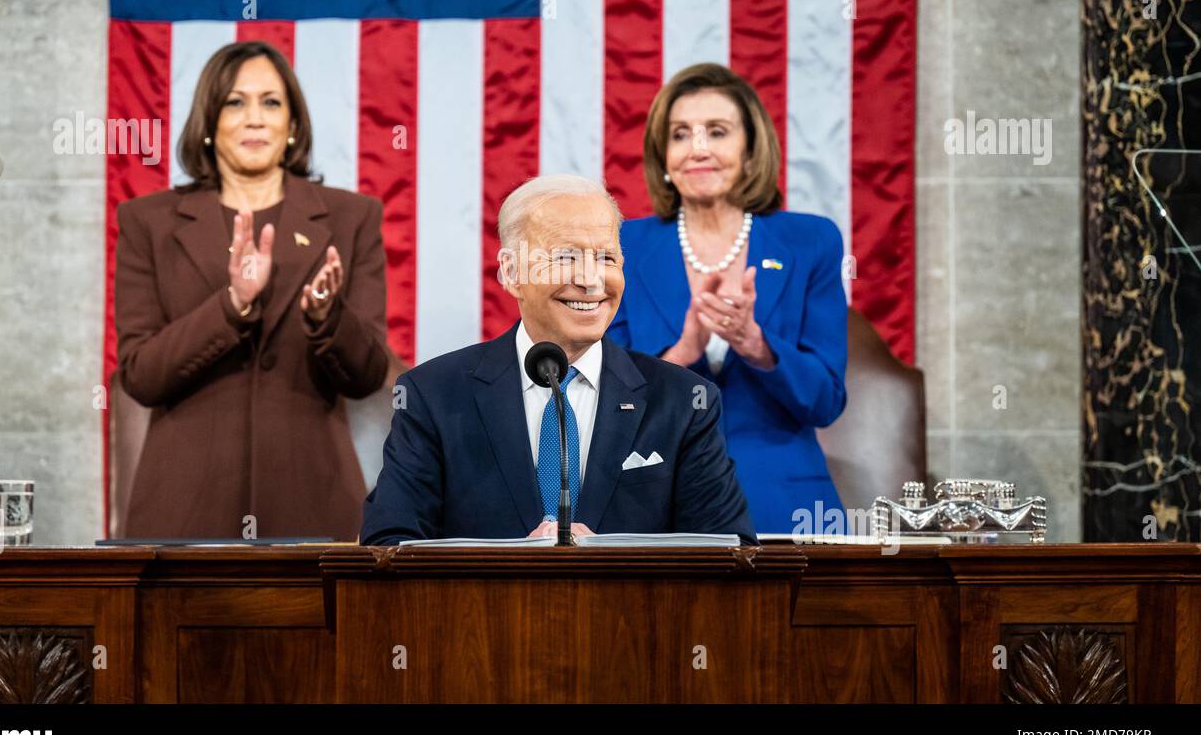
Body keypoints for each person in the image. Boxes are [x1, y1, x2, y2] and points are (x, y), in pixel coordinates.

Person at [359, 174, 756, 546]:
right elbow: (389, 545)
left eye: (606, 258)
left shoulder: (684, 401)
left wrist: (616, 560)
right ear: (511, 272)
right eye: (566, 257)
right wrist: (507, 564)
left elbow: (730, 553)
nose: (591, 280)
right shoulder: (434, 396)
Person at [114, 40, 388, 539]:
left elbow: (368, 375)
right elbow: (140, 376)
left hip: (314, 511)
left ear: (293, 125)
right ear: (208, 122)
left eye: (271, 102)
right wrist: (233, 305)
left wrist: (328, 318)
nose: (255, 118)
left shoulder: (352, 218)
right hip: (184, 512)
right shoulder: (146, 222)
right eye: (235, 102)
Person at [605, 63, 848, 534]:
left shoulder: (810, 241)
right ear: (664, 157)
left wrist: (756, 344)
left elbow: (825, 401)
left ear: (752, 152)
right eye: (680, 134)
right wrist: (684, 351)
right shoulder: (623, 246)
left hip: (786, 505)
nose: (698, 148)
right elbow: (608, 406)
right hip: (654, 503)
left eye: (716, 132)